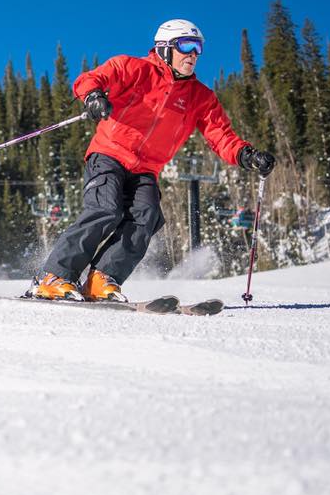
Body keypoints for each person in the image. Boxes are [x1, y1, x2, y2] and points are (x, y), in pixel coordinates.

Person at [32, 19, 276, 301]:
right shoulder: (134, 69)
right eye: (186, 46)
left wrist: (246, 154)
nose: (193, 54)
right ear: (165, 48)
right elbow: (90, 79)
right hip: (109, 154)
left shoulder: (200, 97)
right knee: (105, 209)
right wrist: (93, 96)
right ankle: (54, 276)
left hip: (146, 169)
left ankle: (100, 280)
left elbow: (220, 135)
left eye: (198, 48)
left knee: (146, 217)